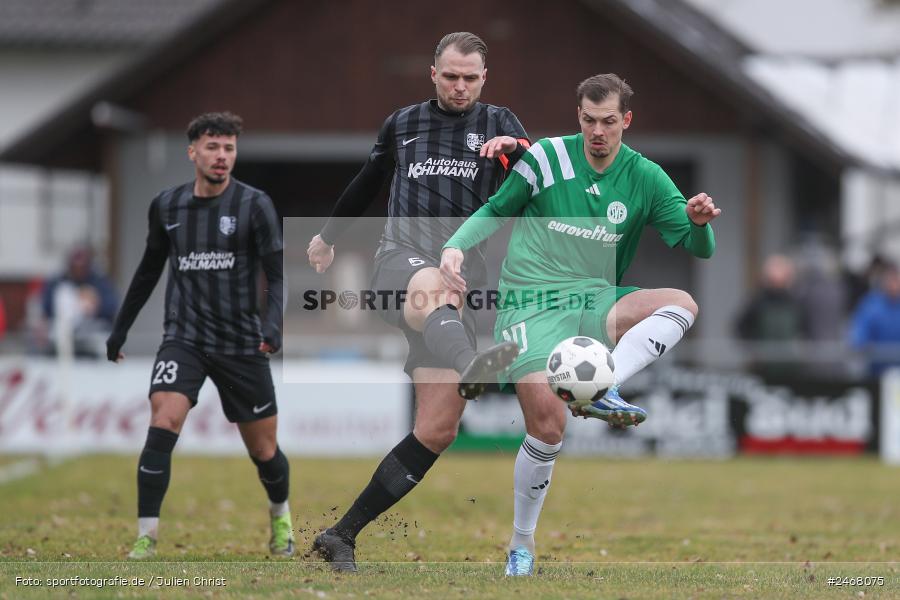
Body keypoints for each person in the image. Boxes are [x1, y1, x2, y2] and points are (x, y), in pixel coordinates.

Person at [441, 73, 720, 575]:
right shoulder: (546, 157)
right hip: (529, 302)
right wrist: (455, 247)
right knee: (549, 428)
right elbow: (496, 208)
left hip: (593, 298)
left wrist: (700, 225)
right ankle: (521, 545)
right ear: (578, 117)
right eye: (589, 120)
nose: (598, 131)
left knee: (681, 303)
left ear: (626, 121)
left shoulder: (645, 176)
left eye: (608, 122)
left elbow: (698, 247)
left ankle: (602, 383)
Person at [306, 32, 530, 572]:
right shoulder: (403, 124)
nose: (459, 86)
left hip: (454, 297)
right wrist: (328, 236)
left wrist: (520, 154)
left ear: (484, 79)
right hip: (398, 267)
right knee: (429, 282)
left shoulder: (502, 124)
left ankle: (341, 534)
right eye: (450, 76)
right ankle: (472, 365)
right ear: (433, 73)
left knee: (438, 428)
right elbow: (366, 181)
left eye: (469, 78)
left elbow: (540, 178)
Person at [105, 112, 293, 559]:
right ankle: (146, 536)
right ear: (193, 152)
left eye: (228, 148)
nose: (221, 156)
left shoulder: (254, 205)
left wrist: (272, 325)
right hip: (184, 338)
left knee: (264, 449)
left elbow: (277, 274)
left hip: (240, 343)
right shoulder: (167, 206)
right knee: (163, 419)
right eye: (212, 147)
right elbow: (149, 270)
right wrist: (120, 328)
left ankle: (280, 518)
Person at [40, 245, 119, 357]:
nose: (78, 270)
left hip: (94, 332)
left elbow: (111, 306)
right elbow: (46, 307)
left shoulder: (100, 282)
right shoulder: (58, 282)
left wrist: (95, 306)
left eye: (82, 267)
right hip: (63, 334)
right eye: (75, 267)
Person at [850, 262, 900, 376]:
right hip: (876, 373)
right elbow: (859, 331)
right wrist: (859, 343)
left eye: (897, 280)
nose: (894, 285)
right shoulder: (871, 303)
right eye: (891, 280)